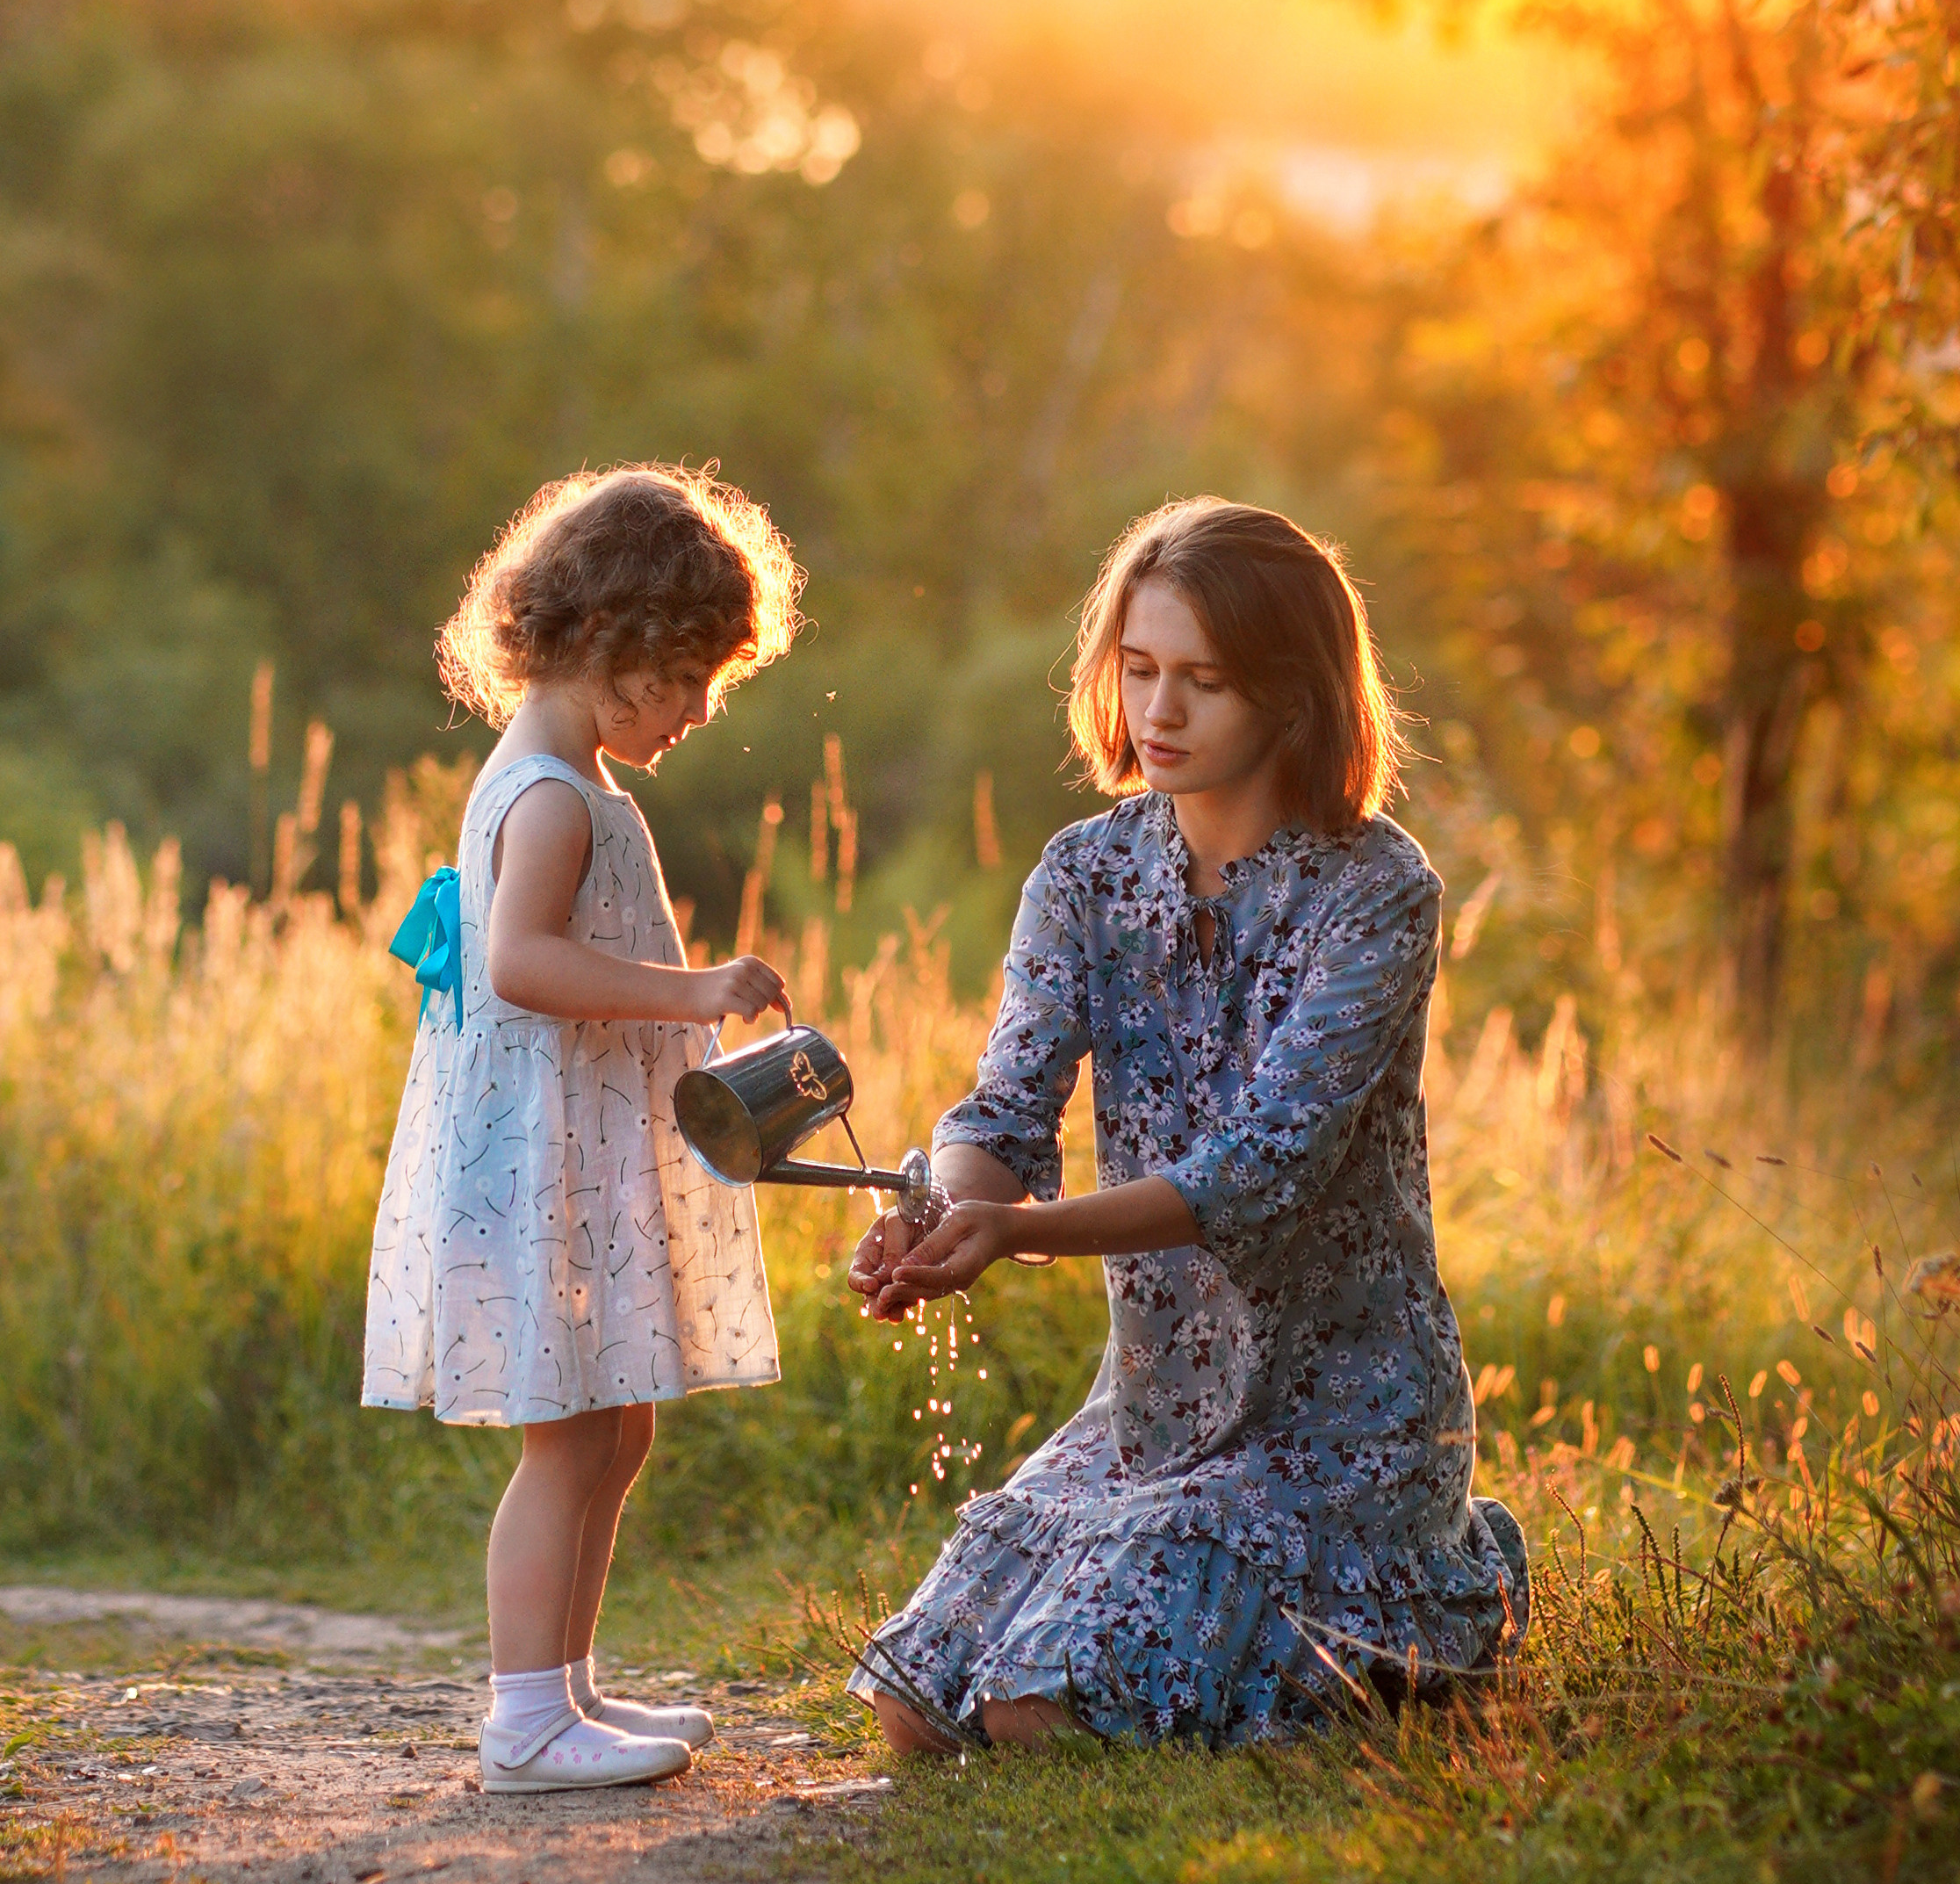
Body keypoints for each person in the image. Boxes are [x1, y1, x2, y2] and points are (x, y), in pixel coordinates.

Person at [848, 496, 1527, 1751]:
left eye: (1204, 682)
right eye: (1139, 668)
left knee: (1032, 1712)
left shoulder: (1379, 890)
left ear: (1293, 694)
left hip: (1345, 1424)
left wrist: (1019, 1232)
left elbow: (1260, 1169)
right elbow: (1003, 1110)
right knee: (914, 1709)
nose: (1158, 711)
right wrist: (945, 1212)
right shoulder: (1085, 873)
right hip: (1154, 1413)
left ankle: (1423, 1613)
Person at [364, 465, 801, 1794]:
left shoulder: (576, 779)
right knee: (571, 1436)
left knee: (618, 1429)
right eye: (690, 678)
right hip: (539, 1168)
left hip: (575, 1152)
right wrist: (694, 992)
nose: (700, 711)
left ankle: (567, 1689)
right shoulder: (551, 794)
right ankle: (522, 1719)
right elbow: (521, 966)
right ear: (616, 646)